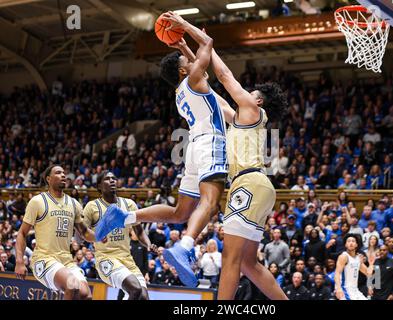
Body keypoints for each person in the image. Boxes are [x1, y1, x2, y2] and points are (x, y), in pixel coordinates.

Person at [94, 11, 229, 288]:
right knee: (211, 202)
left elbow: (197, 62)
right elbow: (209, 43)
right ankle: (185, 245)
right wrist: (185, 27)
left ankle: (125, 216)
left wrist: (181, 47)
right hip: (210, 142)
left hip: (193, 147)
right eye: (186, 62)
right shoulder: (194, 80)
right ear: (183, 70)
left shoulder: (182, 91)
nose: (191, 63)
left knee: (180, 212)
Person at [207, 30, 288, 300]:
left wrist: (206, 45)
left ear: (258, 100)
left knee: (230, 256)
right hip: (261, 187)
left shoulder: (253, 110)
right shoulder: (243, 118)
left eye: (250, 91)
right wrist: (191, 60)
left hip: (249, 184)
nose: (245, 92)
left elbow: (224, 77)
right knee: (247, 263)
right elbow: (214, 97)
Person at [15, 165, 96, 300]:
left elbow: (84, 233)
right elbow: (22, 233)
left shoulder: (74, 203)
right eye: (58, 173)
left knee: (86, 295)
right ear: (48, 179)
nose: (63, 175)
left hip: (66, 261)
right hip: (44, 259)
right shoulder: (38, 201)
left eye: (64, 173)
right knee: (72, 285)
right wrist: (19, 261)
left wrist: (101, 236)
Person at [83, 171, 152, 300]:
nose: (112, 180)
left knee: (143, 297)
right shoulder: (92, 207)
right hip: (106, 259)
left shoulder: (129, 204)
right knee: (135, 289)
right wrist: (95, 236)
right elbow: (82, 233)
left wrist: (148, 245)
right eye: (107, 179)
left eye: (114, 178)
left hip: (127, 259)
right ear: (99, 186)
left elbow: (139, 231)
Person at [334, 234, 375, 300]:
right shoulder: (344, 257)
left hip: (355, 290)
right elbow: (337, 273)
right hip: (344, 289)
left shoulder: (358, 258)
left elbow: (368, 273)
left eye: (353, 241)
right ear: (345, 245)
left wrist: (371, 264)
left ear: (356, 245)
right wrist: (338, 288)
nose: (351, 243)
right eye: (349, 241)